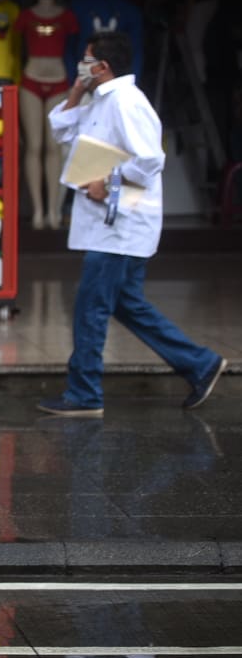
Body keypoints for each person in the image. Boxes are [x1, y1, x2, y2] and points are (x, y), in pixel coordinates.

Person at [37, 30, 228, 417]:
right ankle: (200, 364)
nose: (81, 64)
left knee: (91, 308)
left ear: (102, 66)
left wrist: (106, 183)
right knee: (127, 305)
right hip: (110, 226)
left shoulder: (126, 101)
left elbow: (150, 159)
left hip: (119, 225)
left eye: (86, 59)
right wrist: (76, 89)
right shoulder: (99, 99)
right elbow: (60, 128)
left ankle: (85, 394)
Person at [14, 0, 79, 230]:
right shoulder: (25, 16)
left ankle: (53, 210)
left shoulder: (68, 17)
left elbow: (74, 46)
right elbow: (15, 47)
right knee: (34, 145)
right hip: (30, 79)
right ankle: (38, 211)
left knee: (54, 146)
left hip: (59, 81)